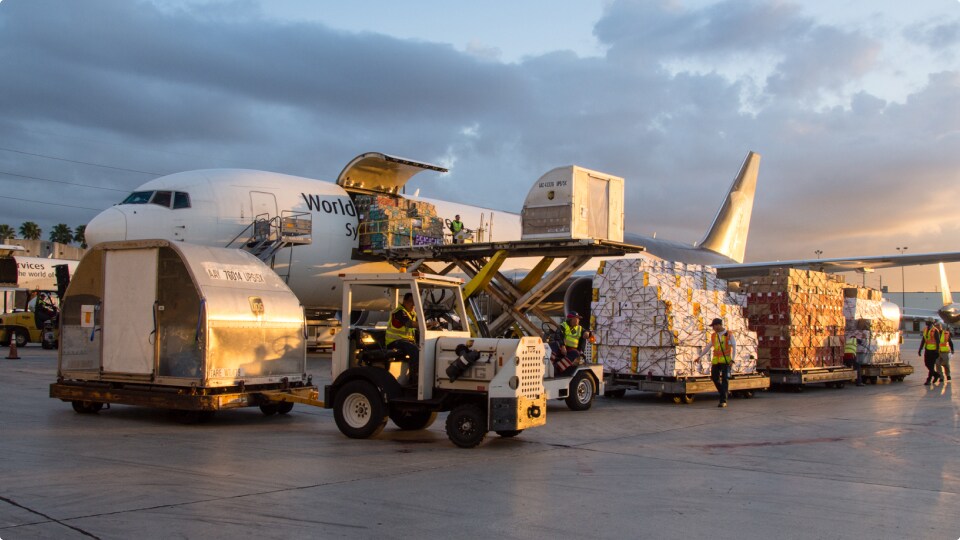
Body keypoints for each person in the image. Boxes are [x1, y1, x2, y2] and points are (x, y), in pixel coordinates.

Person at [697, 318, 736, 408]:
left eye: (714, 326)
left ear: (719, 325)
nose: (713, 328)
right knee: (714, 378)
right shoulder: (714, 335)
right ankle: (724, 392)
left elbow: (734, 347)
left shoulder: (729, 334)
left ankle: (723, 401)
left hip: (726, 361)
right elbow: (708, 346)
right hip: (716, 361)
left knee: (725, 379)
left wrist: (732, 359)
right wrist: (700, 356)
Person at [386, 293, 420, 385]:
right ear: (404, 301)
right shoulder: (399, 312)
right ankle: (415, 379)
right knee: (414, 350)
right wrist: (424, 324)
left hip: (405, 341)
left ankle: (410, 375)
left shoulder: (412, 313)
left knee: (422, 348)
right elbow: (409, 324)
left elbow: (416, 328)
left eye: (414, 302)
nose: (413, 304)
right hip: (394, 341)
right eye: (410, 302)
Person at [918, 319, 943, 385]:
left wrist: (937, 351)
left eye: (927, 321)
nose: (926, 322)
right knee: (927, 364)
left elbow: (938, 342)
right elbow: (923, 340)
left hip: (933, 351)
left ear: (931, 322)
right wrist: (920, 349)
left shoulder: (935, 330)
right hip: (927, 350)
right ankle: (936, 375)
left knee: (931, 366)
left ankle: (928, 380)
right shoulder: (925, 329)